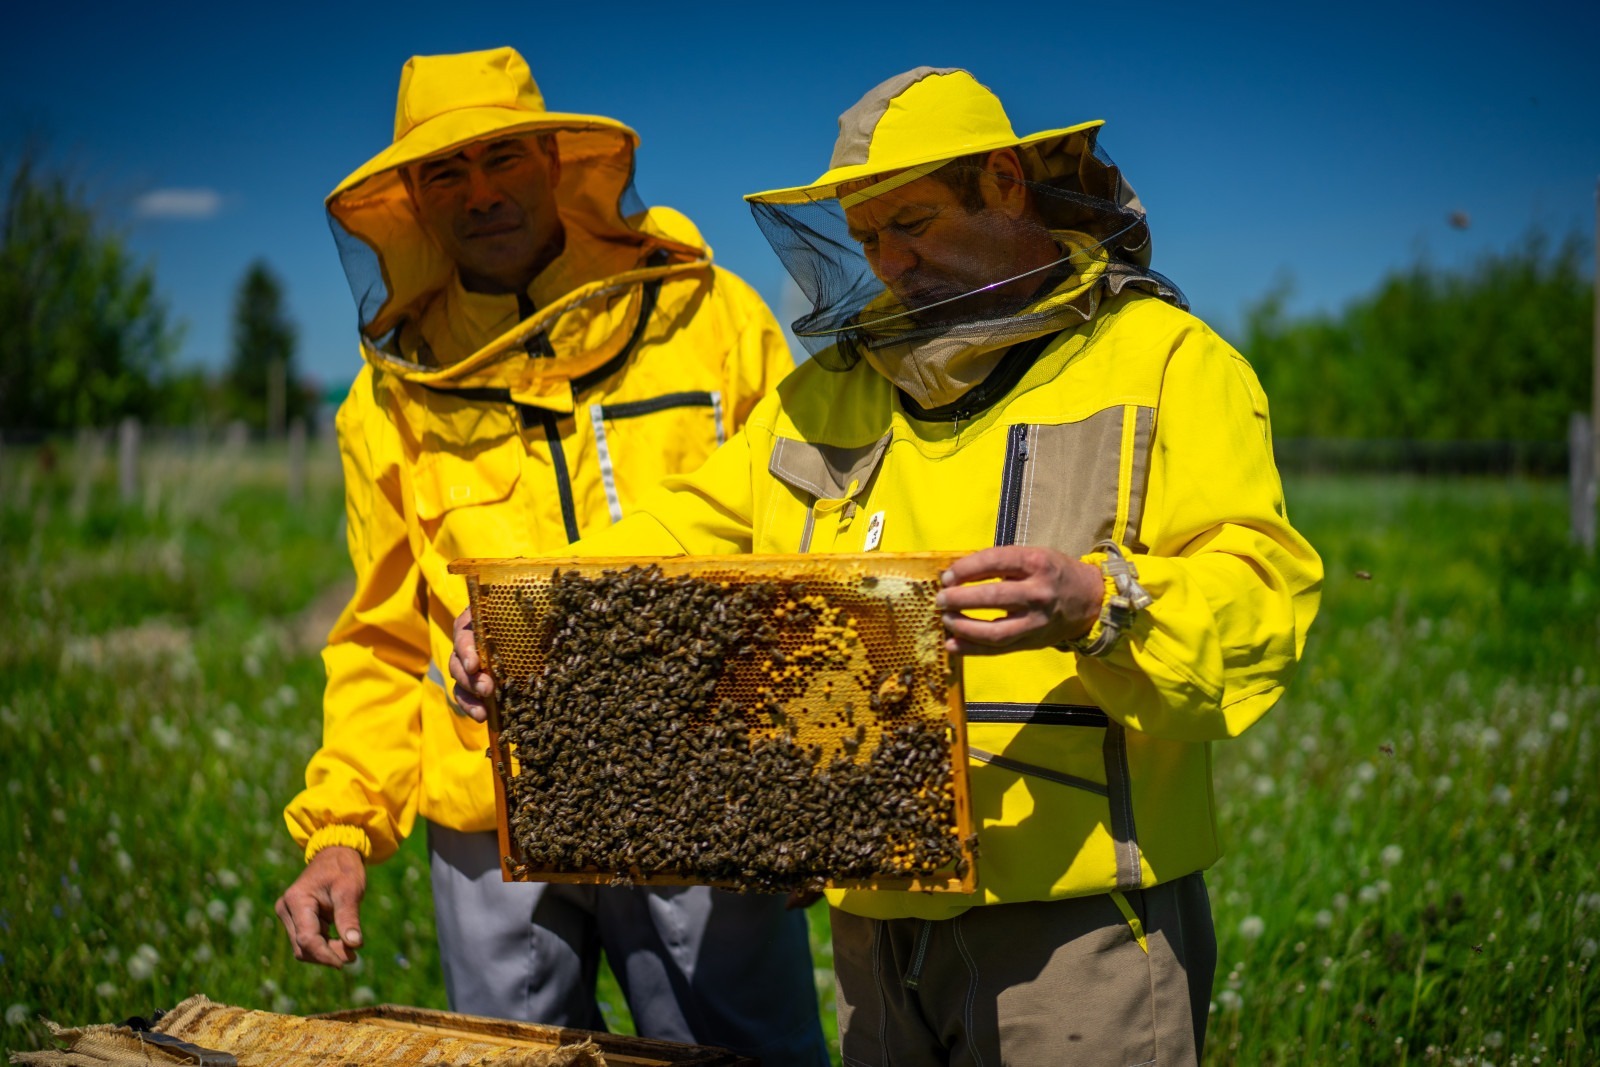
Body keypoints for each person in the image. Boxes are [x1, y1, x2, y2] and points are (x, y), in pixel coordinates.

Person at [453, 66, 1323, 1063]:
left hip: (1078, 929)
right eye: (868, 238)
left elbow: (1260, 590)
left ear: (1005, 184)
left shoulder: (1167, 362)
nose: (890, 262)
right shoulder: (828, 395)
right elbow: (679, 527)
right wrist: (524, 612)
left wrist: (1102, 599)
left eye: (912, 223)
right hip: (872, 930)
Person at [275, 47, 828, 1064]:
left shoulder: (712, 318)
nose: (481, 193)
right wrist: (341, 828)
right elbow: (384, 640)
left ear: (556, 162)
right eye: (447, 172)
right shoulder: (386, 402)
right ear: (411, 201)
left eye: (503, 159)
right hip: (489, 815)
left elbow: (803, 549)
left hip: (702, 786)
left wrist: (807, 770)